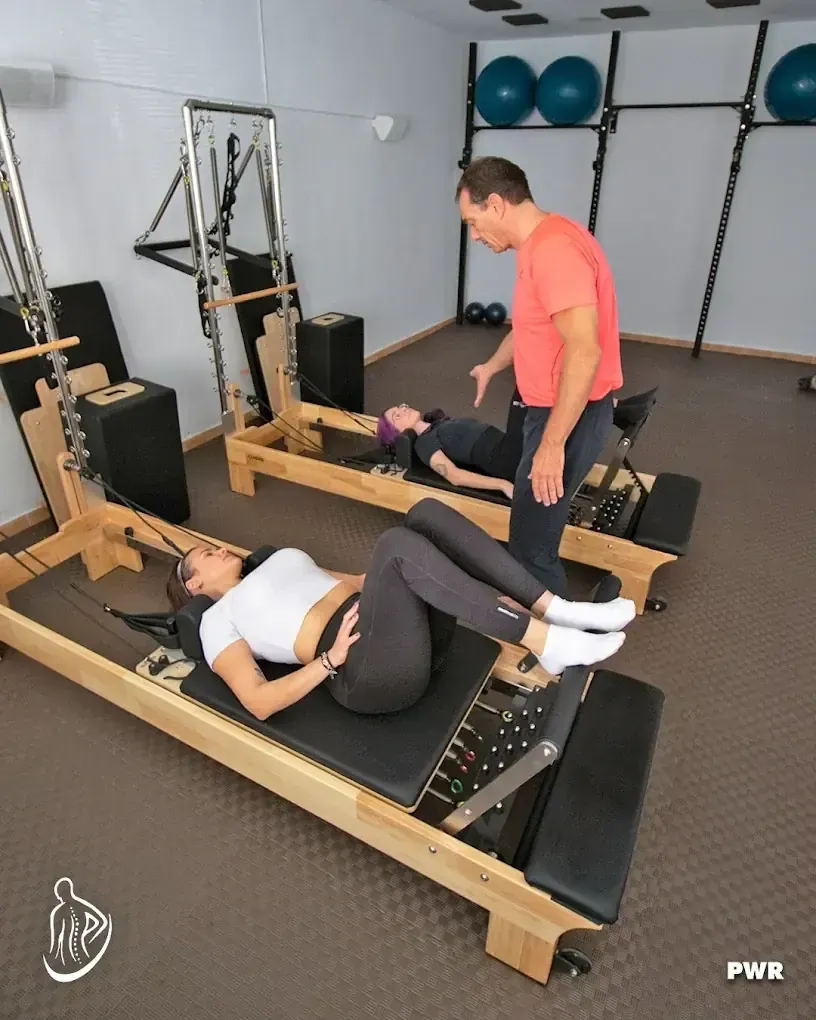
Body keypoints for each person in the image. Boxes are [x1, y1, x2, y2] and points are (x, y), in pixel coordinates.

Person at [166, 498, 635, 720]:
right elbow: (258, 702)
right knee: (394, 544)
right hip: (368, 675)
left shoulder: (270, 564)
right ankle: (547, 641)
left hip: (403, 637)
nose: (218, 550)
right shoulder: (214, 621)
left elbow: (361, 582)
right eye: (206, 555)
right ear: (195, 583)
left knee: (425, 516)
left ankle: (557, 610)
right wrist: (330, 662)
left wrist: (474, 588)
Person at [456, 156, 624, 597]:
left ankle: (558, 647)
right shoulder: (543, 241)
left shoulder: (553, 252)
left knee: (531, 545)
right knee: (533, 530)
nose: (474, 235)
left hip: (566, 416)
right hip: (553, 410)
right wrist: (494, 364)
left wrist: (552, 444)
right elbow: (537, 324)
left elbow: (585, 350)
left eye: (473, 222)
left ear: (495, 204)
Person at [376, 392, 528, 499]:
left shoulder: (435, 424)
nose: (403, 409)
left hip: (509, 445)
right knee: (525, 394)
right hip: (505, 458)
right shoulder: (424, 443)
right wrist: (503, 485)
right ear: (396, 433)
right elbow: (454, 476)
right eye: (397, 415)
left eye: (401, 406)